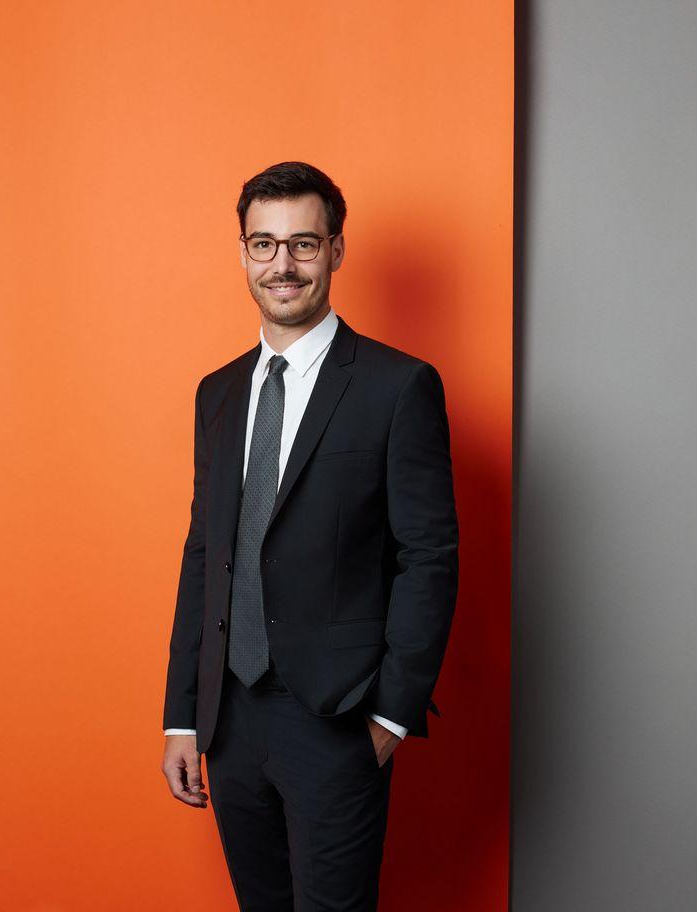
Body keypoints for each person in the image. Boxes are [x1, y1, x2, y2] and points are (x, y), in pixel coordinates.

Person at [159, 161, 460, 911]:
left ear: (336, 250)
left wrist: (390, 716)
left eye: (303, 243)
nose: (283, 265)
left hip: (337, 718)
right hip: (230, 720)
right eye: (264, 244)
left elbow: (429, 557)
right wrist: (183, 716)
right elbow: (205, 554)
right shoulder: (218, 393)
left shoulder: (398, 386)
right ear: (243, 254)